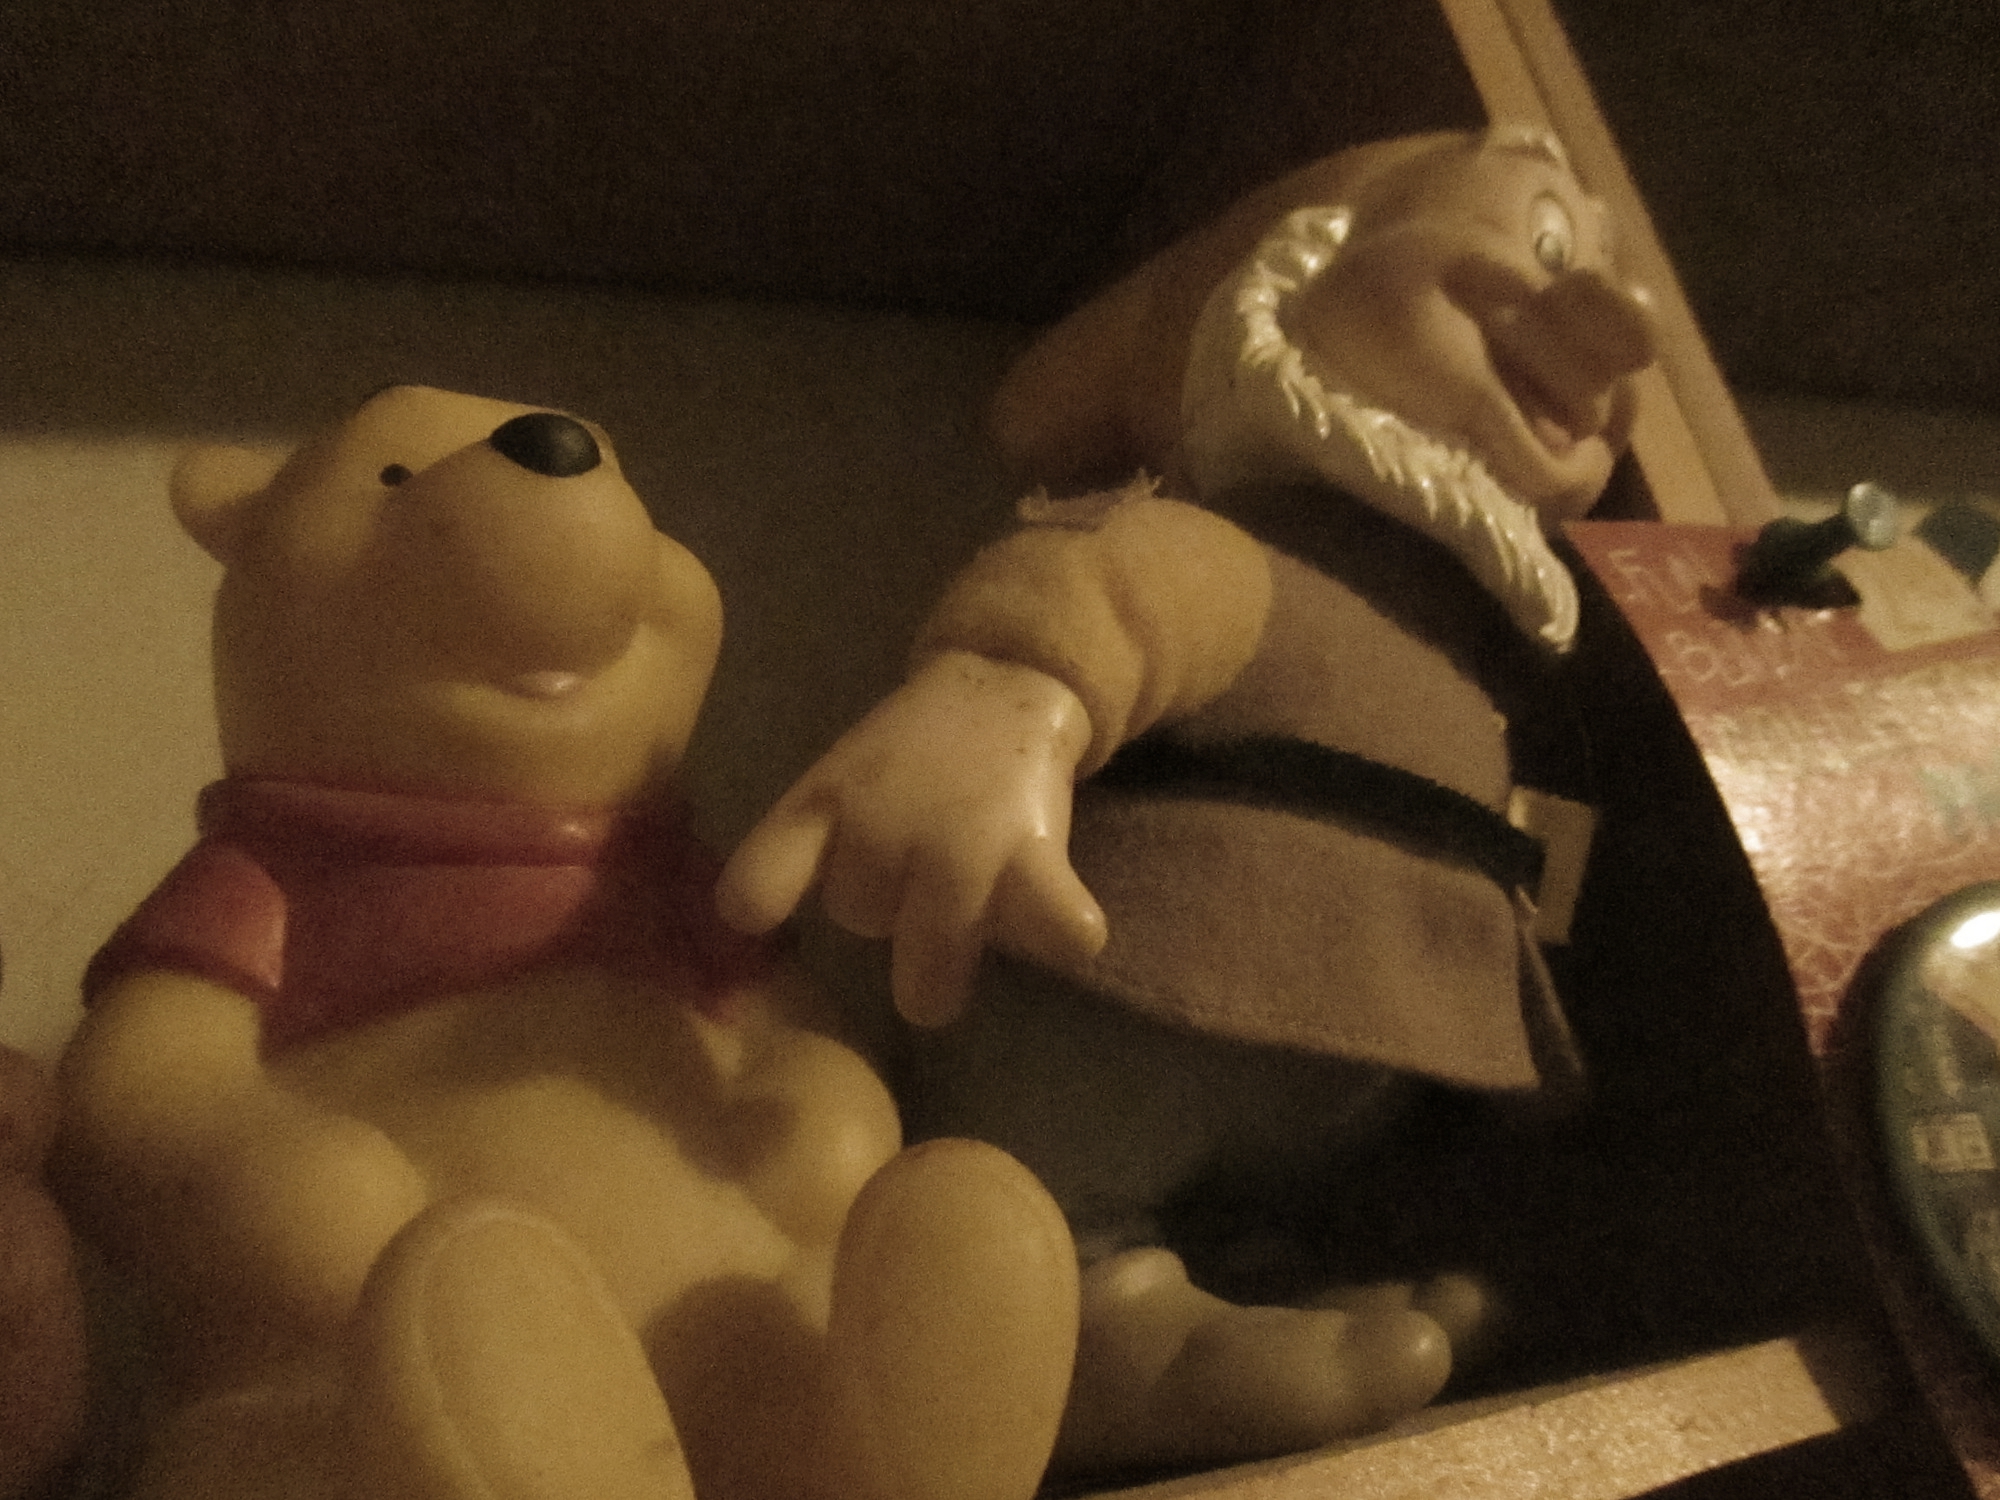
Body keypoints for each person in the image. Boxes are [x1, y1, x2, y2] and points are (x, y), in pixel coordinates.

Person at [719, 125, 1656, 1474]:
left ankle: (1246, 1283)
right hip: (1129, 993)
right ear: (1305, 264)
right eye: (1543, 235)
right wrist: (1004, 714)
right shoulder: (1244, 553)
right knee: (1040, 1180)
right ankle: (1086, 1311)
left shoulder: (1485, 662)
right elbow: (1106, 590)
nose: (1610, 322)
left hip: (1359, 1070)